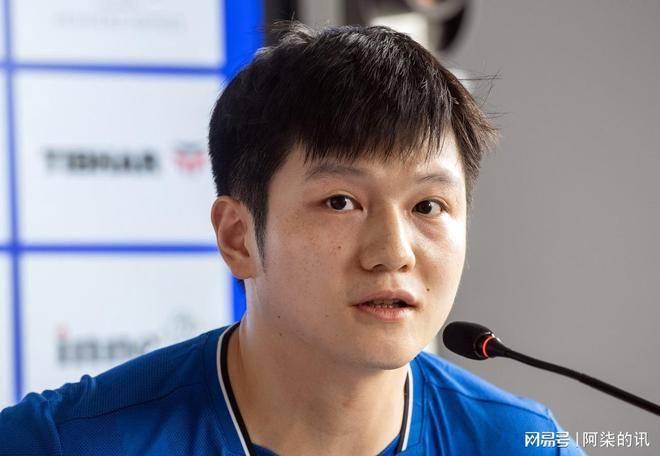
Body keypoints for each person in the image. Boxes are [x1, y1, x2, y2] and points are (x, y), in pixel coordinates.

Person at [0, 23, 584, 455]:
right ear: (238, 238)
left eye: (428, 206)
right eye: (340, 202)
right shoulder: (60, 442)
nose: (394, 252)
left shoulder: (524, 443)